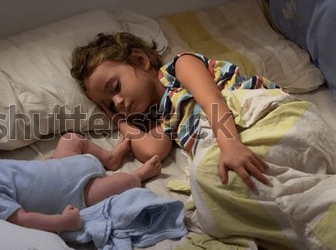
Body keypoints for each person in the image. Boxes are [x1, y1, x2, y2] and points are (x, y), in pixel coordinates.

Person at [70, 32, 280, 190]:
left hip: (248, 111)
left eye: (115, 88)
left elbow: (211, 100)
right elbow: (152, 151)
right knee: (210, 177)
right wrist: (119, 120)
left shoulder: (180, 67)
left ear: (140, 61)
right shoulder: (158, 115)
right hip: (224, 141)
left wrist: (230, 143)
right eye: (110, 104)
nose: (118, 102)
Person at [0, 132, 162, 233]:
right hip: (76, 192)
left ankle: (110, 157)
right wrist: (61, 223)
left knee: (71, 139)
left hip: (60, 165)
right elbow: (22, 219)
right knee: (120, 184)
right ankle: (139, 175)